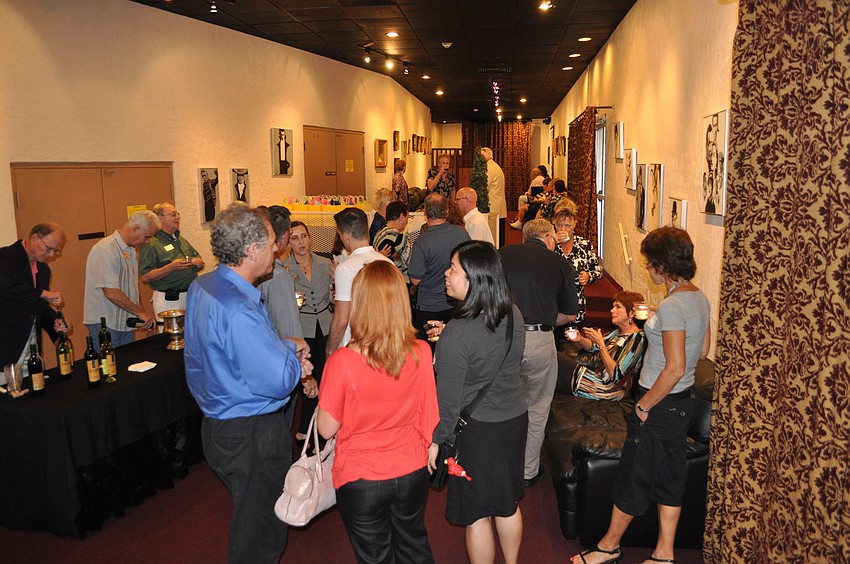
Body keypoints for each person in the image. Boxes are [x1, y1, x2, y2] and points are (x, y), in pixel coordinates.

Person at [570, 226, 710, 564]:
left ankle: (608, 547)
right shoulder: (698, 297)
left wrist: (645, 405)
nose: (647, 268)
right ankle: (664, 553)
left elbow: (674, 367)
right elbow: (702, 352)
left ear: (663, 264)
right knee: (670, 477)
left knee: (634, 474)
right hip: (681, 403)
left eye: (650, 263)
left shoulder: (675, 305)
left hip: (658, 403)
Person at [184, 205, 312, 564]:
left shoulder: (204, 285)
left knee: (249, 517)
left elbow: (209, 358)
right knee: (260, 534)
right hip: (252, 435)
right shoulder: (240, 308)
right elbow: (278, 382)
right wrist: (295, 361)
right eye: (272, 242)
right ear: (252, 250)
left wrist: (285, 346)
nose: (277, 248)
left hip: (219, 425)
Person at [318, 261, 439, 564]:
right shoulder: (422, 351)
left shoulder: (342, 361)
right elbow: (429, 414)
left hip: (361, 477)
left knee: (374, 557)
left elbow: (325, 428)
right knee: (414, 547)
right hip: (411, 468)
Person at [425, 241, 527, 564]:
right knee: (507, 502)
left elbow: (449, 401)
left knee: (477, 514)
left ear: (473, 280)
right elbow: (502, 355)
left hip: (478, 432)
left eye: (453, 268)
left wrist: (437, 441)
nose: (446, 273)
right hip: (514, 420)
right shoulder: (513, 313)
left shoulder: (458, 333)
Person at [500, 219, 578, 486]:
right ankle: (527, 471)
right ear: (547, 237)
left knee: (504, 402)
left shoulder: (501, 254)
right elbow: (569, 314)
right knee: (538, 406)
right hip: (538, 340)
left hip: (504, 338)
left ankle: (501, 464)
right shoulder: (559, 263)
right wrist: (544, 317)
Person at [283, 220, 334, 444]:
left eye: (304, 236)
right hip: (302, 331)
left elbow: (333, 298)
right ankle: (304, 429)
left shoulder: (325, 263)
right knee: (308, 382)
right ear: (289, 243)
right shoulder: (284, 268)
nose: (301, 242)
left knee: (327, 380)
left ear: (310, 238)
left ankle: (324, 427)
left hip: (326, 326)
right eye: (295, 238)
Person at [0, 222, 67, 383]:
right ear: (34, 237)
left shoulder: (43, 270)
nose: (51, 255)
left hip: (32, 346)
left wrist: (54, 323)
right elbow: (5, 287)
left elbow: (40, 308)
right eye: (49, 248)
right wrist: (42, 293)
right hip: (6, 345)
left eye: (55, 251)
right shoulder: (5, 257)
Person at [84, 210, 160, 348]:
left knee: (126, 365)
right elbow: (111, 292)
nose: (147, 241)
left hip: (126, 321)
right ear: (136, 228)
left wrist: (142, 318)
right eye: (147, 236)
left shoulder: (131, 250)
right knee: (109, 367)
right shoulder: (106, 249)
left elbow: (132, 289)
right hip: (106, 323)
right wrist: (141, 313)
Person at [326, 207, 392, 355]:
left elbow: (341, 321)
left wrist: (330, 351)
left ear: (346, 236)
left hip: (356, 348)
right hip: (385, 344)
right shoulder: (387, 262)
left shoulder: (345, 268)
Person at [563, 291, 648, 401]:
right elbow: (593, 347)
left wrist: (601, 345)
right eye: (613, 307)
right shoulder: (617, 332)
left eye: (618, 307)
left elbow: (616, 375)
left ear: (632, 313)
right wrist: (580, 339)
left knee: (555, 360)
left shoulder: (637, 338)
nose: (612, 311)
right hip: (597, 378)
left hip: (608, 388)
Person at [408, 193, 470, 341]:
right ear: (447, 211)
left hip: (430, 307)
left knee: (428, 350)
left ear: (425, 213)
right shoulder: (461, 233)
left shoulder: (422, 241)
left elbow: (415, 280)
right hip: (457, 303)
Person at [140, 203, 205, 320]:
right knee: (170, 336)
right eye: (173, 215)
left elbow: (197, 258)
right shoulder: (151, 243)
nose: (178, 217)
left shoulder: (180, 239)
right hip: (169, 301)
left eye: (178, 214)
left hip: (189, 296)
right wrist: (171, 267)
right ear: (160, 218)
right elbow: (145, 276)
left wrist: (198, 262)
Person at [552, 201, 602, 327]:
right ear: (554, 224)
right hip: (553, 304)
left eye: (567, 225)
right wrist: (552, 243)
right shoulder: (549, 243)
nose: (563, 229)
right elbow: (538, 267)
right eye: (559, 225)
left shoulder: (584, 245)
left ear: (574, 224)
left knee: (574, 344)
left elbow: (597, 270)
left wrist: (589, 276)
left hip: (576, 304)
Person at [373, 201, 412, 282]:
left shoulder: (379, 233)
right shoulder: (400, 237)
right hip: (398, 281)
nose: (407, 221)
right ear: (401, 217)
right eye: (407, 217)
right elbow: (410, 263)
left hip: (380, 279)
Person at [480, 147, 506, 245]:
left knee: (495, 237)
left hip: (493, 206)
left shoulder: (488, 168)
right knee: (500, 236)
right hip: (498, 204)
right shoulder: (496, 166)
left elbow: (484, 187)